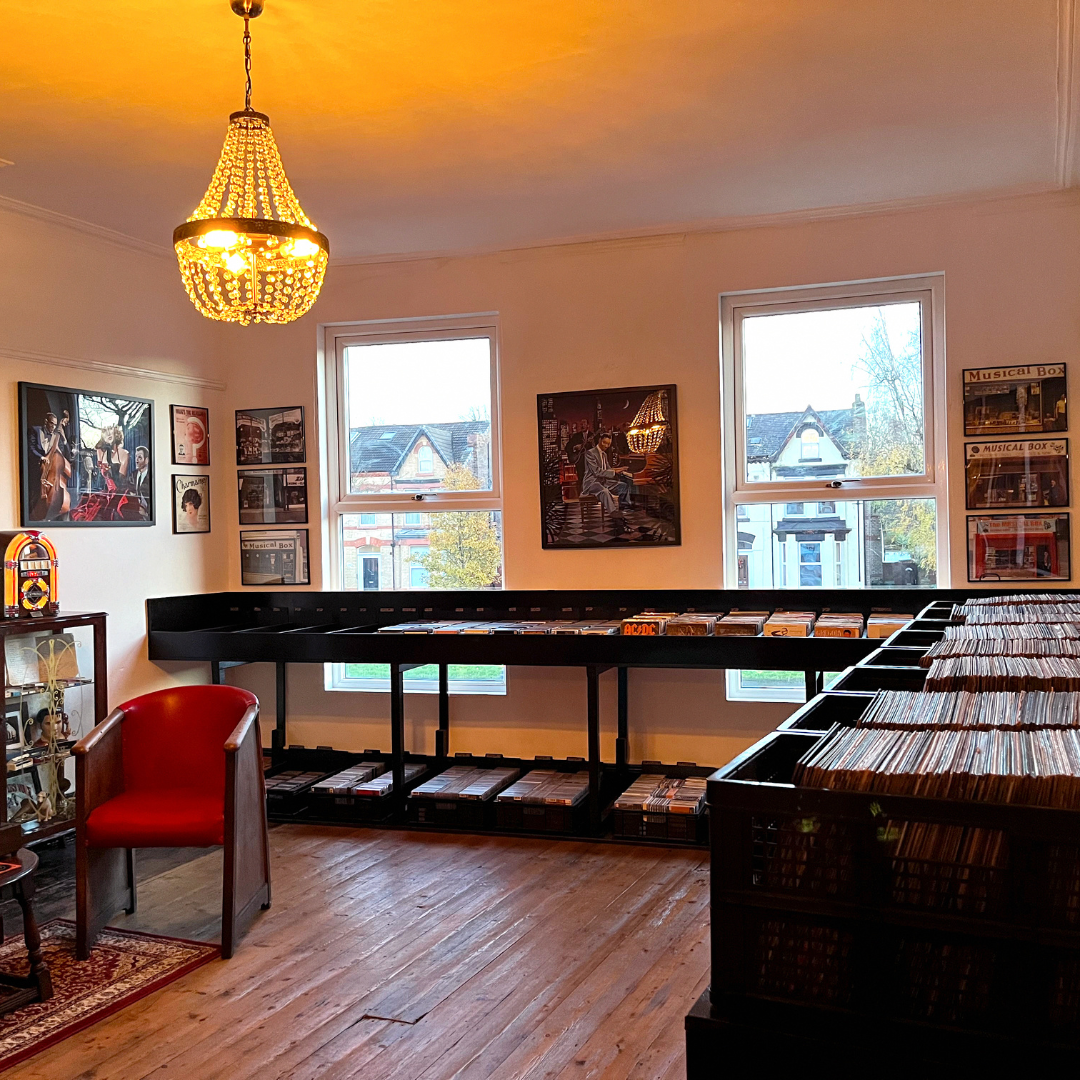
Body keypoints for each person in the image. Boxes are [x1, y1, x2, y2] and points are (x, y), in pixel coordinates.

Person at [582, 432, 635, 517]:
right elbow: (596, 472)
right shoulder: (590, 453)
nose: (606, 446)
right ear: (600, 440)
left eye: (608, 444)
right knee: (604, 491)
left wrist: (620, 469)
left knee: (623, 486)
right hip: (592, 483)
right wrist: (614, 472)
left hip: (604, 482)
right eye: (604, 443)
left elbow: (607, 469)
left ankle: (624, 508)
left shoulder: (604, 454)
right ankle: (613, 512)